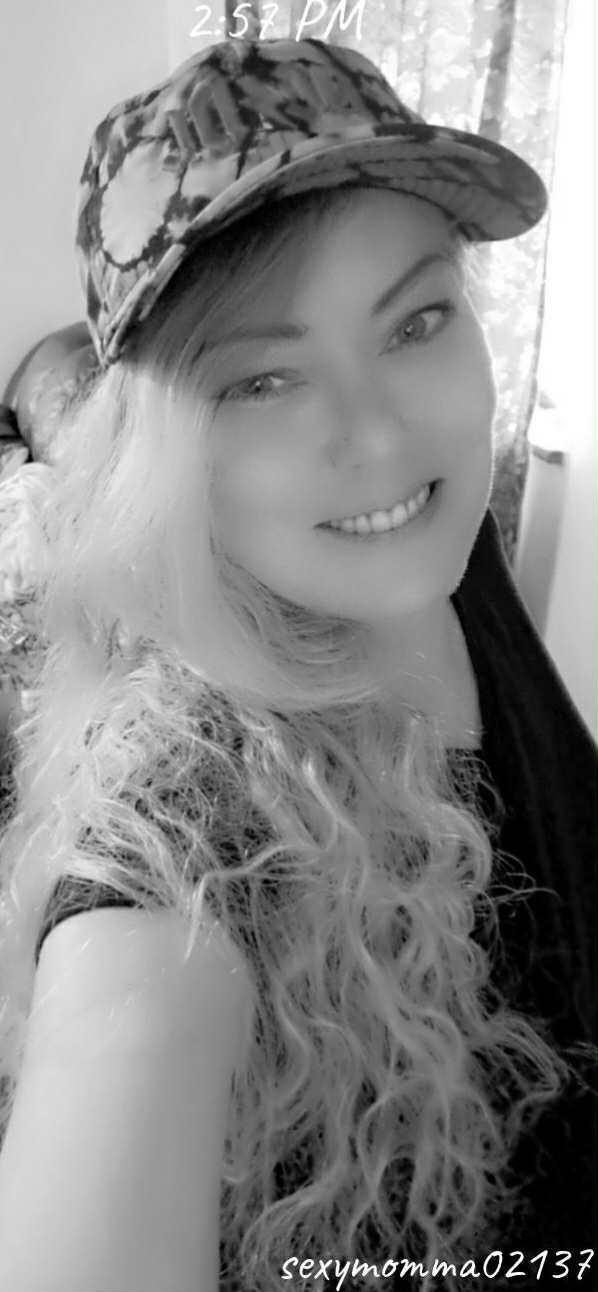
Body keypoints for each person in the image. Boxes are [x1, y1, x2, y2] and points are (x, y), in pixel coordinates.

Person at [0, 36, 595, 1292]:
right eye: (262, 379)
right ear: (161, 453)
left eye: (416, 320)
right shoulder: (183, 828)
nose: (380, 437)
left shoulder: (449, 551)